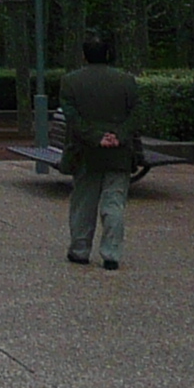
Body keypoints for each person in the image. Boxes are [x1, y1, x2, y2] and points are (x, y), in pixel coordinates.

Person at [60, 55, 143, 268]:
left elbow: (73, 118)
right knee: (114, 203)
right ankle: (111, 253)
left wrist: (96, 137)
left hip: (86, 152)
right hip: (119, 153)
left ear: (85, 55)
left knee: (83, 203)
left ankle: (80, 250)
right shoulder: (126, 80)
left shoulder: (71, 81)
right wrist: (119, 135)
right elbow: (137, 113)